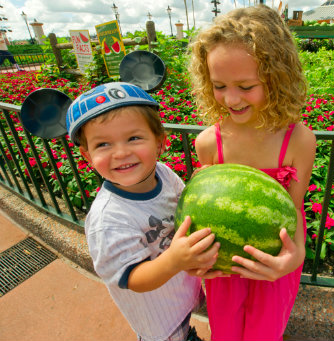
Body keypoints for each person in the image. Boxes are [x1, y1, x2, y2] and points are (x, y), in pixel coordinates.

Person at [188, 5, 316, 341]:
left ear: (276, 78)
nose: (231, 99)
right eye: (219, 85)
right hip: (225, 272)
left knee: (265, 333)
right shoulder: (208, 144)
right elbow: (203, 212)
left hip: (274, 265)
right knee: (225, 332)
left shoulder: (298, 140)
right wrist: (190, 256)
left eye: (246, 86)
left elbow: (294, 210)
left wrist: (296, 255)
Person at [65, 82, 221, 341]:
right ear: (87, 156)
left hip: (178, 294)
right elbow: (132, 278)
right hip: (158, 319)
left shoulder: (164, 173)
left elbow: (184, 204)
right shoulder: (109, 219)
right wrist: (174, 260)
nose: (121, 153)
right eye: (103, 144)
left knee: (184, 326)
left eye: (134, 138)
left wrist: (203, 186)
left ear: (160, 142)